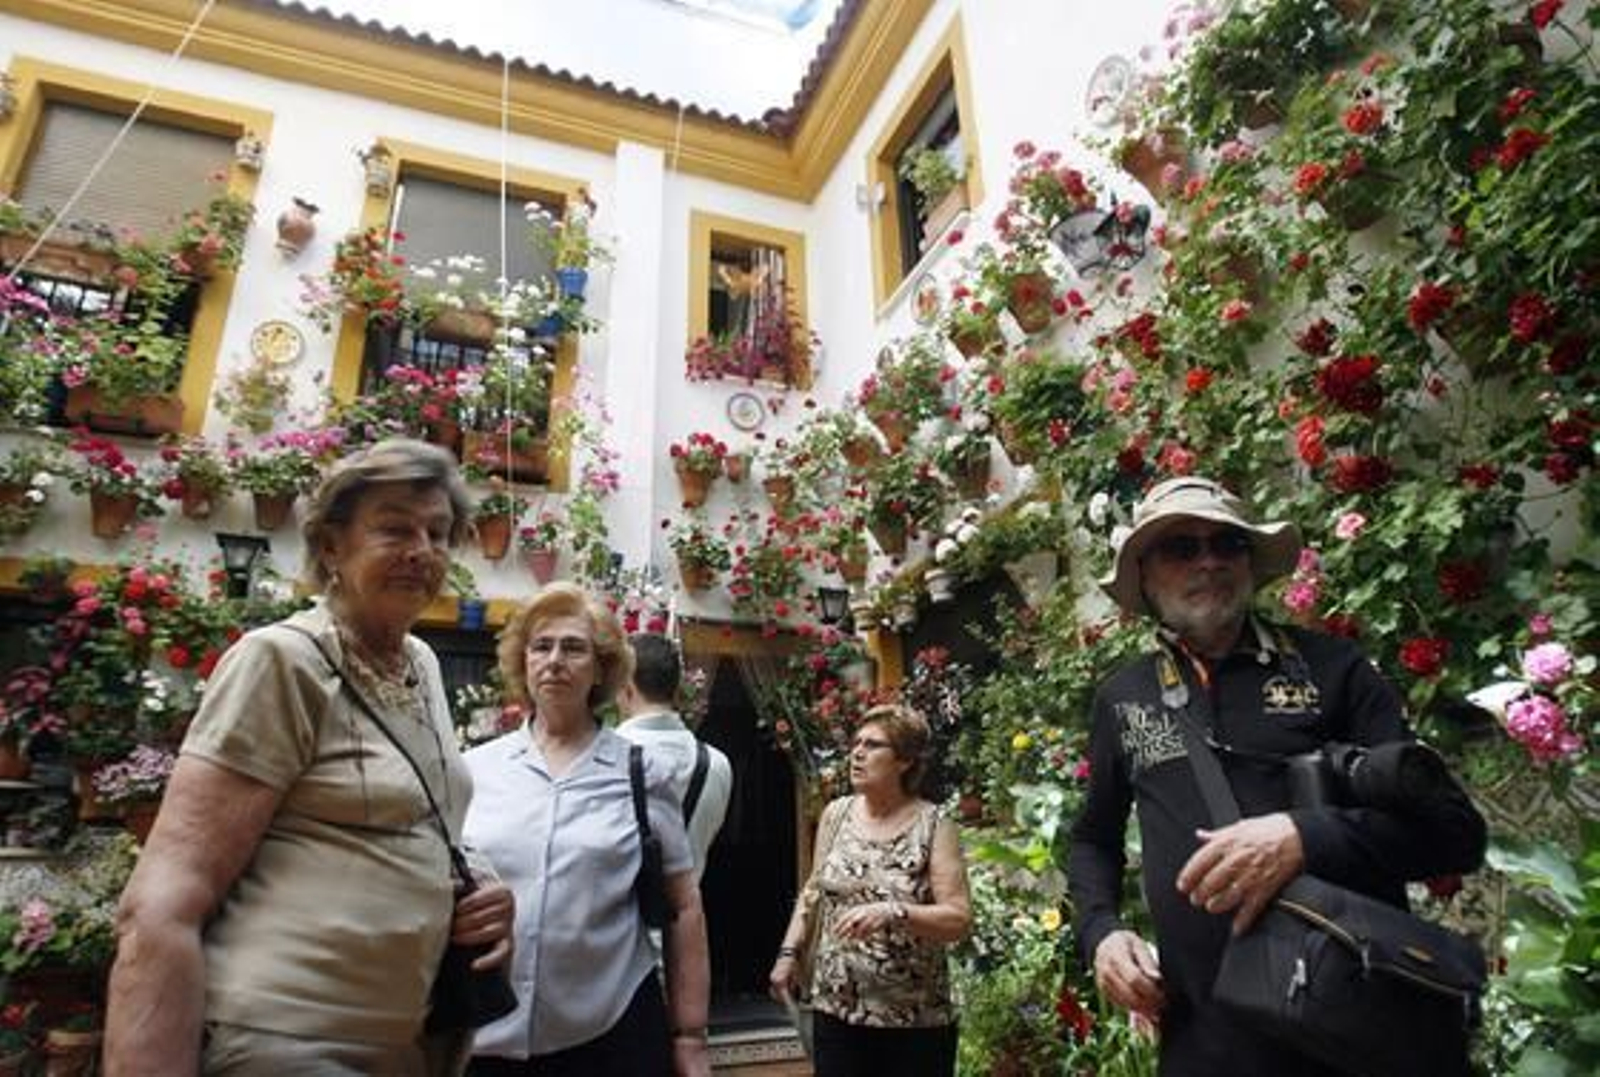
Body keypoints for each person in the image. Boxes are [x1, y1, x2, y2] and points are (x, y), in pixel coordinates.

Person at [106, 438, 515, 1076]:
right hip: (284, 1040)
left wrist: (478, 886)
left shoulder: (423, 665)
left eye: (438, 532)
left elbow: (407, 817)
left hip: (402, 1046)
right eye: (394, 529)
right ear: (331, 545)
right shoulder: (282, 660)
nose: (423, 551)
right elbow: (163, 902)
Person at [1067, 476, 1487, 1076]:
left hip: (1355, 1035)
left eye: (1227, 544)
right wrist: (1102, 933)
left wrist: (1304, 839)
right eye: (1182, 547)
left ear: (1249, 560)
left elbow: (1454, 833)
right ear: (1144, 573)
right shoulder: (1123, 697)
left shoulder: (1334, 668)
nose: (1209, 561)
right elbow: (1093, 841)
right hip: (1204, 1043)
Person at [462, 583, 711, 1077]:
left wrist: (690, 1036)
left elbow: (684, 905)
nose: (554, 660)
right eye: (541, 646)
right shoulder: (473, 770)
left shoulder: (641, 772)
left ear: (601, 668)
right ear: (523, 662)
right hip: (486, 1033)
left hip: (609, 1031)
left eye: (573, 648)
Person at [768, 703, 971, 1076]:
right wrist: (787, 954)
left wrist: (893, 912)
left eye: (873, 745)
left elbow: (958, 918)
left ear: (905, 761)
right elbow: (813, 891)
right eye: (856, 743)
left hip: (913, 1021)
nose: (857, 753)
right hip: (836, 1011)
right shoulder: (837, 814)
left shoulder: (934, 825)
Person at [616, 633, 732, 880]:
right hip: (687, 911)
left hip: (613, 915)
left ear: (626, 687)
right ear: (677, 688)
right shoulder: (718, 764)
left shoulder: (603, 755)